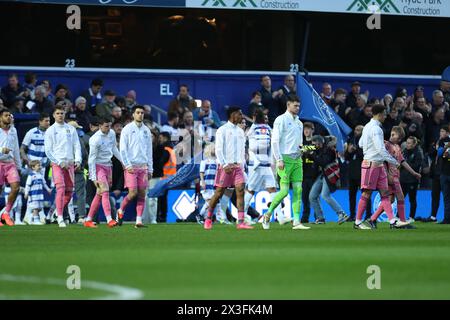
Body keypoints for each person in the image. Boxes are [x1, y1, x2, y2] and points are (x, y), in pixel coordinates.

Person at [354, 104, 409, 229]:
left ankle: (392, 221)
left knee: (385, 194)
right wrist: (394, 162)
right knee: (367, 193)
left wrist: (369, 148)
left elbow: (361, 143)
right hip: (372, 164)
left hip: (377, 165)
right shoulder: (376, 129)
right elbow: (380, 149)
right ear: (379, 114)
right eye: (384, 114)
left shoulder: (367, 126)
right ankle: (357, 222)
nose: (385, 116)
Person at [262, 94, 310, 230]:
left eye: (299, 105)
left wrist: (304, 149)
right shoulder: (280, 120)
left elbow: (300, 143)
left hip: (297, 160)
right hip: (285, 159)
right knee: (283, 192)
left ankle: (296, 221)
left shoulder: (299, 123)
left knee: (298, 190)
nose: (297, 108)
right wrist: (279, 159)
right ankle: (267, 215)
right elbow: (275, 141)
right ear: (288, 105)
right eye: (295, 105)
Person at [203, 106, 253, 230]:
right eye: (239, 114)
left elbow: (242, 150)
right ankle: (208, 218)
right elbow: (218, 149)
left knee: (240, 191)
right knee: (218, 193)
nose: (241, 117)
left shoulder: (241, 131)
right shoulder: (222, 130)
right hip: (226, 167)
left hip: (238, 167)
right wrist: (224, 165)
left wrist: (242, 164)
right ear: (232, 114)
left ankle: (240, 221)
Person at [368, 127, 421, 228]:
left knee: (391, 200)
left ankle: (373, 219)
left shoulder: (397, 146)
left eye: (396, 136)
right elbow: (381, 160)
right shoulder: (386, 145)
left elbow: (402, 161)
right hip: (389, 177)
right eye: (393, 135)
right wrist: (386, 175)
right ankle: (402, 222)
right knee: (400, 197)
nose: (392, 137)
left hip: (395, 176)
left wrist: (414, 173)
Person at [244, 108, 289, 225]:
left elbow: (250, 143)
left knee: (267, 189)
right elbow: (275, 141)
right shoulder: (268, 129)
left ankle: (280, 216)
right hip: (262, 164)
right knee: (255, 190)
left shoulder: (252, 129)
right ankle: (242, 215)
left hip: (260, 164)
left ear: (254, 117)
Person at [44, 105, 82, 228]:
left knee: (69, 192)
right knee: (60, 188)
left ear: (65, 114)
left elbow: (76, 145)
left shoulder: (71, 129)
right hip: (57, 164)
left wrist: (78, 160)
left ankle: (56, 212)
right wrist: (59, 162)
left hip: (70, 163)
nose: (60, 115)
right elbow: (48, 151)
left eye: (62, 113)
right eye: (58, 113)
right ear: (54, 115)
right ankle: (60, 217)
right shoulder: (50, 130)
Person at [117, 105, 153, 228]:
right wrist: (127, 165)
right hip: (131, 166)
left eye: (142, 113)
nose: (140, 115)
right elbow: (123, 149)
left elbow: (149, 151)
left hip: (143, 167)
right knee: (132, 193)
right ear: (133, 114)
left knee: (142, 194)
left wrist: (150, 168)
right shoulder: (127, 129)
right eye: (138, 112)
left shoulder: (146, 130)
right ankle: (120, 210)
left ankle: (138, 221)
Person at [84, 118, 122, 228]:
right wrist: (93, 177)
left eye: (110, 125)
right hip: (98, 166)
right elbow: (91, 159)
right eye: (106, 126)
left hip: (108, 165)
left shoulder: (111, 133)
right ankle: (109, 219)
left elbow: (114, 148)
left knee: (99, 194)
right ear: (100, 126)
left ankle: (88, 219)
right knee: (105, 191)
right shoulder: (95, 139)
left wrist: (123, 162)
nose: (108, 128)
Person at [308, 135, 349, 224]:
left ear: (320, 142)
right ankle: (320, 218)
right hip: (323, 174)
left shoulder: (330, 150)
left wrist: (313, 154)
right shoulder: (321, 150)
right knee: (312, 196)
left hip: (330, 174)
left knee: (325, 195)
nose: (314, 146)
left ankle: (342, 213)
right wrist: (309, 154)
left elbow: (323, 162)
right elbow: (317, 161)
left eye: (315, 144)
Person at [345, 125, 371, 221]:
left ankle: (368, 215)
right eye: (356, 129)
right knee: (351, 196)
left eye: (359, 130)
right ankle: (352, 215)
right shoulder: (351, 141)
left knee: (365, 195)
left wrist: (356, 149)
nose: (357, 131)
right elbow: (347, 158)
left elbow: (366, 155)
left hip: (362, 173)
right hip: (352, 173)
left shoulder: (366, 142)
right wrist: (348, 151)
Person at [199, 143, 230, 224]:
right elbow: (201, 172)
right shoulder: (204, 162)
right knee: (210, 202)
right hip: (206, 184)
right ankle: (200, 215)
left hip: (213, 185)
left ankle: (219, 218)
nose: (214, 150)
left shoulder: (217, 162)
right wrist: (202, 181)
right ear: (209, 150)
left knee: (215, 202)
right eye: (213, 148)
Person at [0, 109, 21, 226]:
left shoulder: (13, 130)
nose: (8, 117)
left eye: (9, 115)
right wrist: (1, 150)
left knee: (16, 187)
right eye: (6, 115)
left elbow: (16, 148)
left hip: (10, 163)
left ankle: (6, 213)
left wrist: (18, 166)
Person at [425, 125, 449, 222]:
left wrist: (440, 149)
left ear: (447, 132)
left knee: (446, 196)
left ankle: (447, 217)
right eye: (440, 131)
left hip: (444, 172)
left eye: (443, 131)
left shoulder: (446, 141)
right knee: (435, 195)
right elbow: (430, 153)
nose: (441, 133)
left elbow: (442, 154)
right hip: (436, 172)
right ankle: (433, 216)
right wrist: (436, 148)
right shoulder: (438, 142)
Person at [400, 136, 423, 222]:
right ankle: (399, 216)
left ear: (414, 144)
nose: (407, 145)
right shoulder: (404, 152)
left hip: (412, 180)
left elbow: (417, 166)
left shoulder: (418, 153)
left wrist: (406, 165)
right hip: (402, 179)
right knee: (400, 198)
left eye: (409, 143)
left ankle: (411, 217)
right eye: (407, 142)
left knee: (412, 199)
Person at [23, 160, 52, 225]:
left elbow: (44, 184)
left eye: (40, 165)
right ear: (33, 167)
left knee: (39, 208)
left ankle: (30, 217)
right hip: (33, 195)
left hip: (40, 195)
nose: (40, 167)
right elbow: (27, 185)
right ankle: (36, 221)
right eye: (38, 165)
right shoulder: (31, 176)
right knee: (35, 208)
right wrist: (26, 193)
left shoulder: (41, 175)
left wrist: (48, 190)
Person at [300, 122, 318, 223]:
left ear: (312, 130)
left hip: (314, 174)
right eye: (305, 129)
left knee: (314, 197)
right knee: (305, 198)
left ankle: (318, 217)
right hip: (304, 175)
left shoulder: (316, 143)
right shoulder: (301, 143)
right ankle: (305, 217)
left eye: (308, 129)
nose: (306, 131)